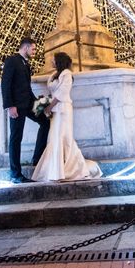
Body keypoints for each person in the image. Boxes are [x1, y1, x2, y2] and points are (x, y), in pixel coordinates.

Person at [32, 52, 102, 182]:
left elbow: (62, 92)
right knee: (54, 138)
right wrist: (46, 104)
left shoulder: (67, 74)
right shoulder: (54, 75)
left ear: (59, 61)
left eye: (53, 59)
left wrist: (49, 106)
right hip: (55, 110)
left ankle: (72, 168)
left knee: (64, 137)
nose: (51, 61)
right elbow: (53, 92)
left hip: (63, 109)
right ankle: (55, 169)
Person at [1, 37, 50, 183]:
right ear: (26, 48)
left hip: (28, 104)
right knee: (16, 138)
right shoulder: (11, 61)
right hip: (17, 106)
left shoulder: (25, 64)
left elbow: (27, 89)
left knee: (45, 122)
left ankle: (37, 158)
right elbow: (5, 84)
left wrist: (41, 106)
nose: (35, 51)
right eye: (33, 49)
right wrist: (10, 106)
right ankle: (16, 174)